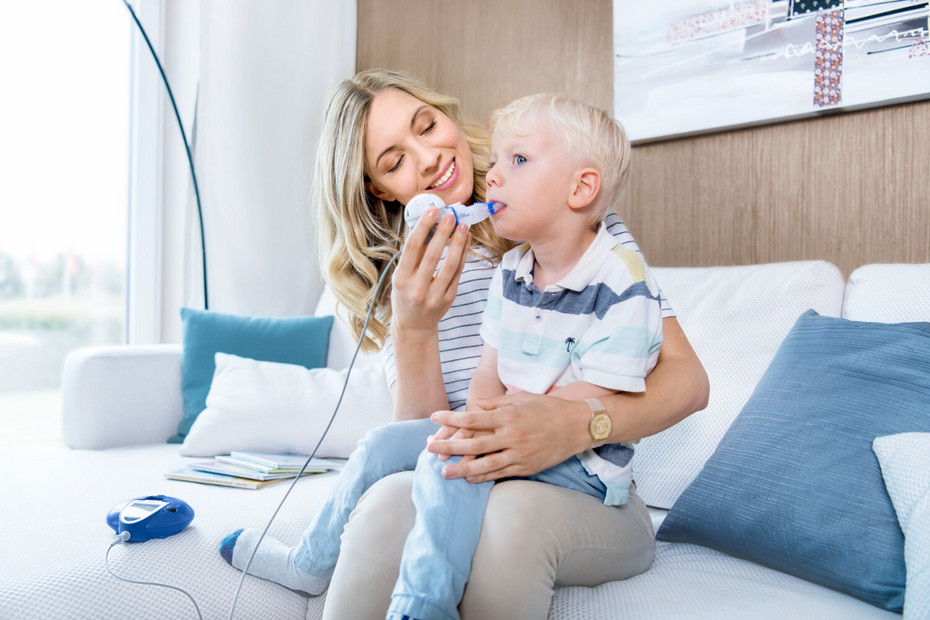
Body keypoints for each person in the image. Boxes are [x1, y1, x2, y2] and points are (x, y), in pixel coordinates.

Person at [225, 69, 709, 619]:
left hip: (576, 482)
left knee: (505, 518)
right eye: (395, 160)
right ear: (383, 191)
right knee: (385, 497)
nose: (427, 157)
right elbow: (419, 435)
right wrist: (414, 327)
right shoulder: (401, 282)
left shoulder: (566, 227)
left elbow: (688, 381)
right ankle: (317, 569)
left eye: (426, 126)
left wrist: (575, 423)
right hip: (468, 467)